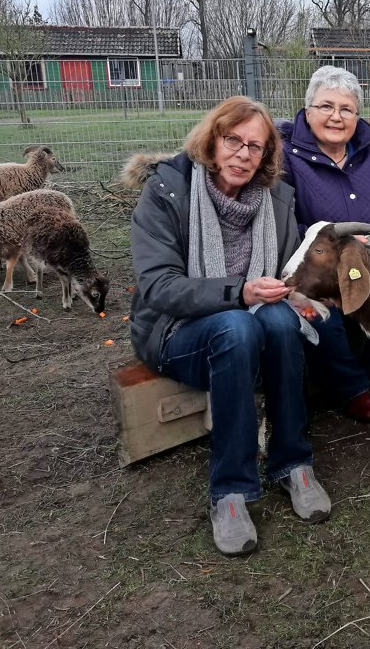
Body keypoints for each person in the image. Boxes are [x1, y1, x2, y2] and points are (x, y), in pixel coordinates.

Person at [128, 95, 331, 557]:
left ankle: (293, 462)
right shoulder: (168, 191)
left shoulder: (277, 197)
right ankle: (232, 491)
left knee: (281, 323)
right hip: (175, 331)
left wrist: (301, 290)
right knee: (236, 328)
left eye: (255, 147)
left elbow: (288, 265)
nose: (242, 154)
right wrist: (239, 292)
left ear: (266, 155)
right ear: (211, 141)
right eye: (232, 140)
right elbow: (159, 286)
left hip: (254, 322)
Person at [275, 65, 370, 422]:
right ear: (308, 111)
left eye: (346, 109)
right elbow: (287, 224)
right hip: (316, 264)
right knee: (325, 307)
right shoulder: (286, 157)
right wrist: (344, 245)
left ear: (357, 115)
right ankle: (351, 386)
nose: (336, 116)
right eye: (326, 106)